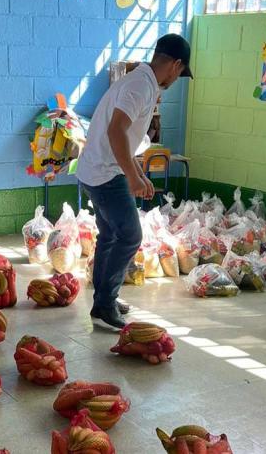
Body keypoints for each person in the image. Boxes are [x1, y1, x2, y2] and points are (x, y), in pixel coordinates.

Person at [77, 33, 193, 329]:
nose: (177, 78)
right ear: (176, 65)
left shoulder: (141, 81)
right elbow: (116, 131)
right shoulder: (141, 85)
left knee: (110, 235)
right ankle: (104, 303)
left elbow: (124, 138)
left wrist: (139, 174)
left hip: (99, 169)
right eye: (181, 73)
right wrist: (131, 176)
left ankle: (104, 299)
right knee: (129, 235)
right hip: (106, 173)